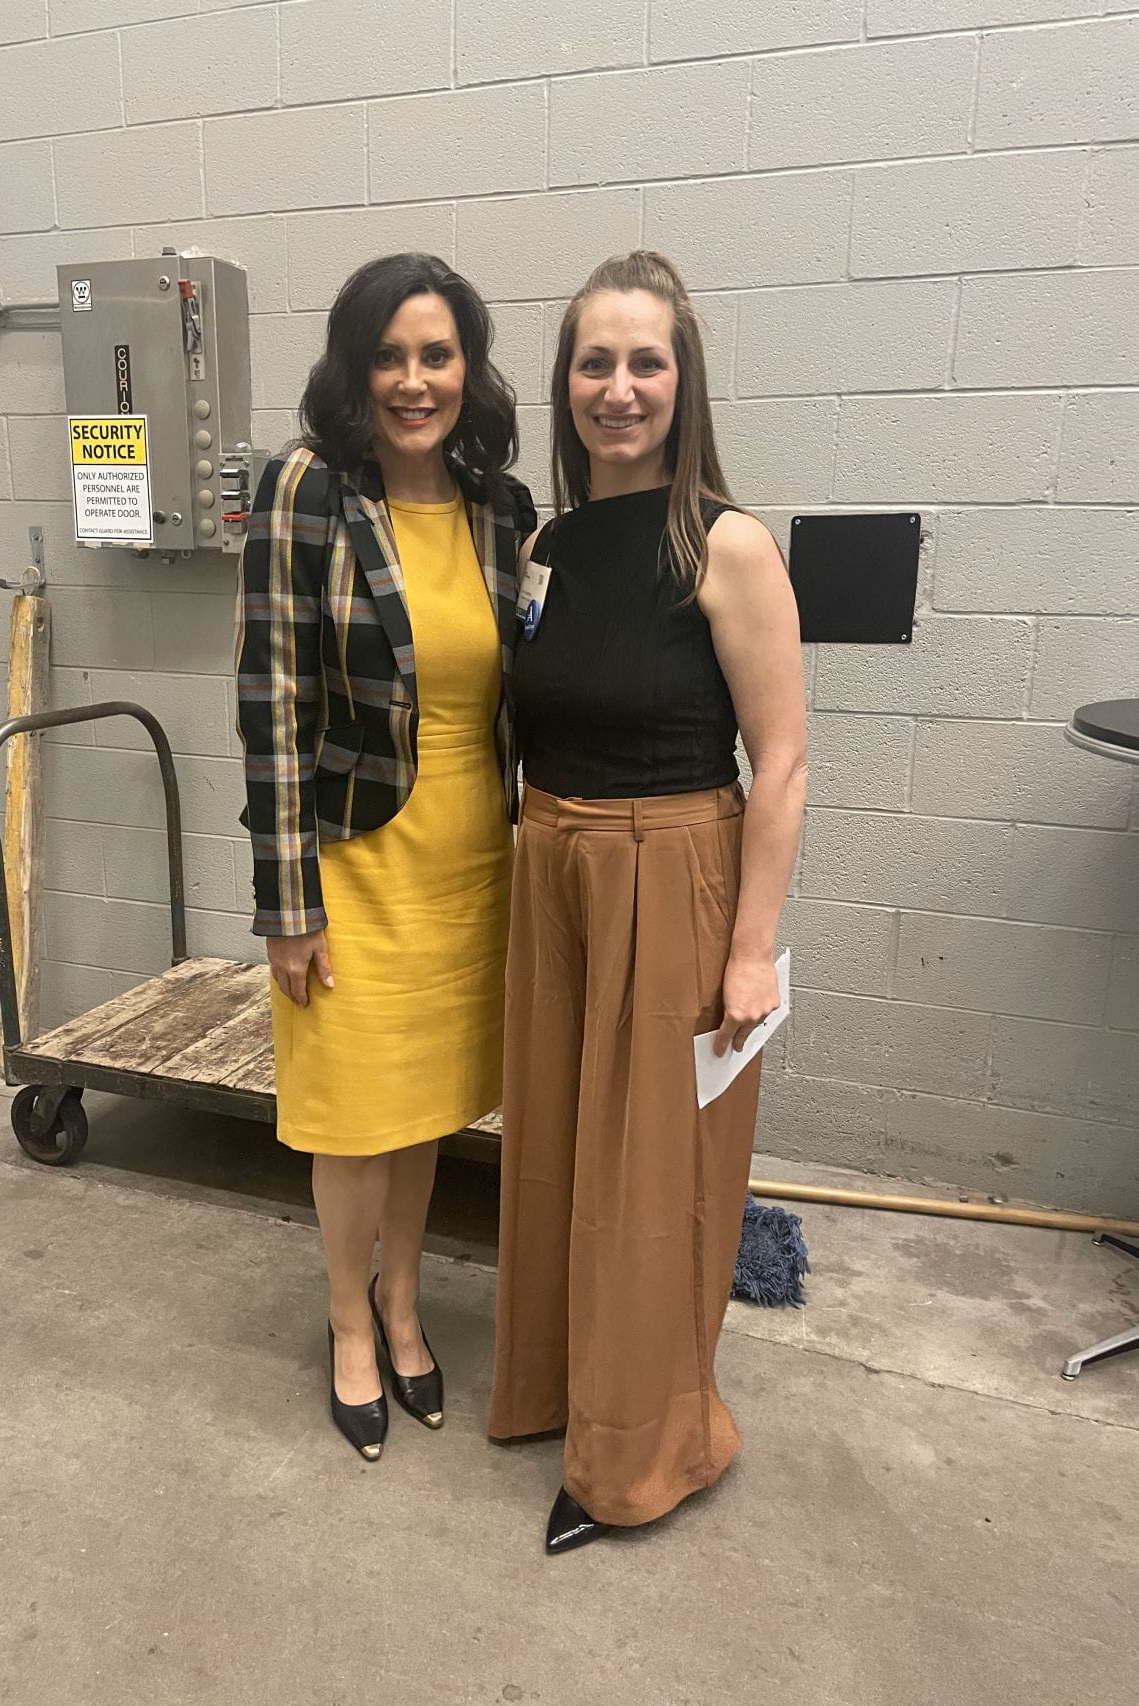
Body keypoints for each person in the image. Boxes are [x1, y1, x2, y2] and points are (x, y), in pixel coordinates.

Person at [489, 251, 807, 1551]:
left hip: (670, 871)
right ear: (566, 383)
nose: (619, 388)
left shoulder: (727, 544)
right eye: (595, 362)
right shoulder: (548, 545)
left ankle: (646, 1450)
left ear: (686, 382)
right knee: (559, 1152)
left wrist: (750, 956)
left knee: (651, 1180)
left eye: (647, 362)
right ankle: (563, 1392)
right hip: (552, 861)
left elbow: (780, 762)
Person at [236, 253, 535, 1462]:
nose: (415, 380)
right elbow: (270, 702)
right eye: (391, 355)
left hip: (472, 861)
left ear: (468, 365)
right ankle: (346, 1321)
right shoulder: (304, 491)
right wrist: (286, 904)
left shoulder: (497, 506)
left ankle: (407, 1305)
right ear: (354, 368)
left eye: (438, 353)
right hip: (352, 863)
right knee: (350, 1115)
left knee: (417, 1113)